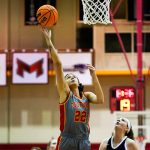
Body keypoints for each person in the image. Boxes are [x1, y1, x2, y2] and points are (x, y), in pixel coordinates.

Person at [41, 27, 104, 150]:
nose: (72, 77)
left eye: (74, 76)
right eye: (68, 77)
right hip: (67, 140)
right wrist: (49, 42)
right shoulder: (65, 94)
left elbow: (101, 99)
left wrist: (94, 76)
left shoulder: (87, 96)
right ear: (65, 83)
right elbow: (58, 64)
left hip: (84, 139)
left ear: (79, 82)